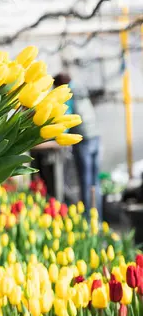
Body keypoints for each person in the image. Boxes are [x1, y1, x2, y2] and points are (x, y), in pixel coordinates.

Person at [53, 72, 102, 221]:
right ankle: (97, 219)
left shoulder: (68, 93)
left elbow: (67, 118)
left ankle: (88, 220)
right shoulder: (80, 89)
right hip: (95, 136)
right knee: (95, 182)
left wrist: (57, 134)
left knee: (85, 181)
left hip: (83, 140)